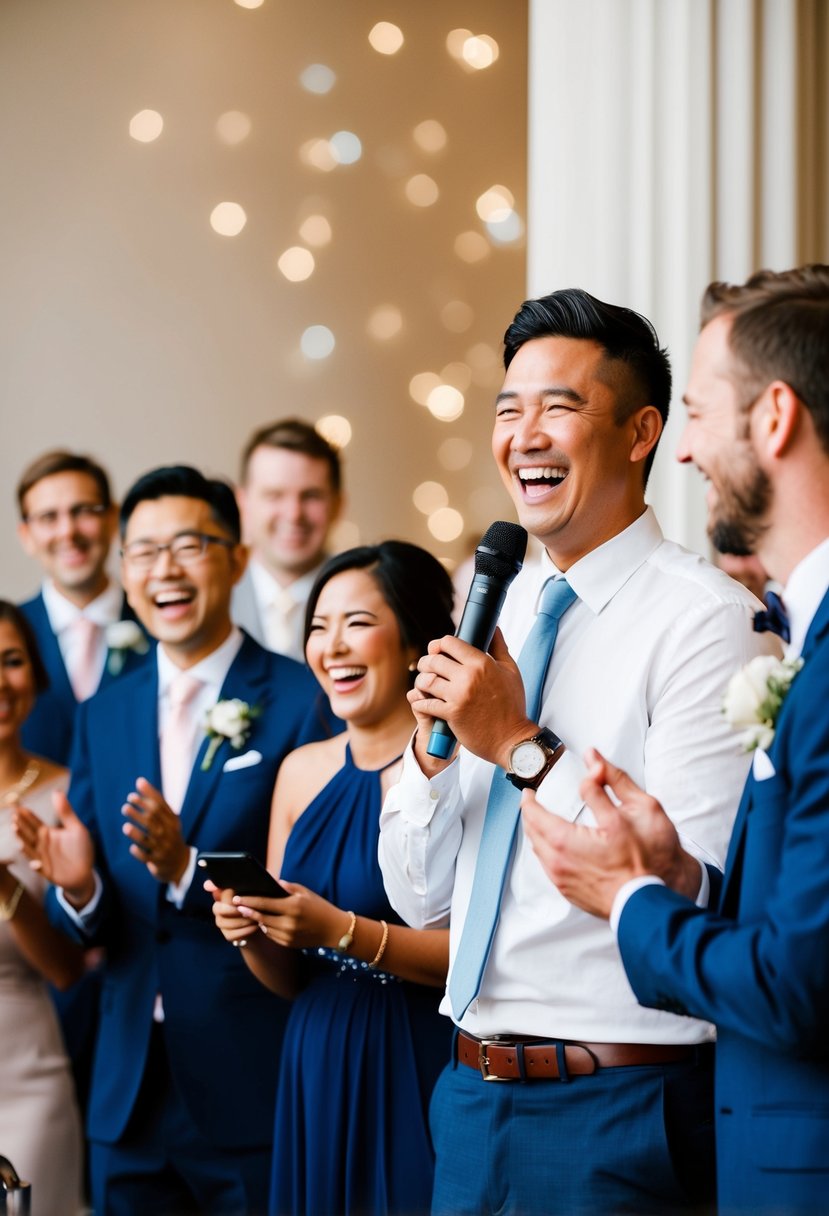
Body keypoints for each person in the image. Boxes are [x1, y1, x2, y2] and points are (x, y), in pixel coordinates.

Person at [377, 288, 768, 1216]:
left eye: (559, 406)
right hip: (468, 1094)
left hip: (617, 1100)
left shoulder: (706, 622)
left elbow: (691, 889)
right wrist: (434, 760)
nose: (525, 435)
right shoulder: (497, 614)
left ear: (640, 433)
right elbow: (416, 893)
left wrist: (514, 744)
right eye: (508, 410)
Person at [521, 265, 829, 1215]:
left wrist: (626, 899)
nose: (686, 452)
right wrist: (688, 881)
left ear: (772, 418)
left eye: (696, 413)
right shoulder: (809, 648)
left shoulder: (733, 630)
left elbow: (791, 988)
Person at [15, 465, 338, 1216]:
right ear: (124, 571)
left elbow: (318, 889)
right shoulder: (106, 711)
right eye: (144, 551)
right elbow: (94, 924)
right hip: (126, 1086)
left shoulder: (300, 702)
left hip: (249, 1071)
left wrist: (187, 869)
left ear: (235, 556)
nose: (165, 569)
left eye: (189, 546)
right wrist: (78, 887)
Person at [210, 541, 455, 1216]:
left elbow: (478, 954)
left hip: (420, 1054)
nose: (331, 646)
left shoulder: (457, 772)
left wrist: (340, 930)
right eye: (319, 626)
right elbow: (290, 976)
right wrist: (253, 933)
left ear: (413, 643)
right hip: (315, 1054)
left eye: (356, 622)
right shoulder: (299, 771)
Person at [0, 600, 84, 1216]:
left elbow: (66, 968)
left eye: (12, 661)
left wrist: (7, 891)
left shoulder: (65, 795)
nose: (0, 682)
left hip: (26, 1075)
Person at [17, 449, 150, 766]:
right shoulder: (9, 635)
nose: (68, 532)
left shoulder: (161, 627)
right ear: (27, 535)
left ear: (113, 519)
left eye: (84, 511)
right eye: (49, 517)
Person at [232, 418, 343, 660]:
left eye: (311, 496)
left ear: (338, 505)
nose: (293, 514)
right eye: (274, 495)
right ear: (243, 503)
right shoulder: (213, 598)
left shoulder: (372, 598)